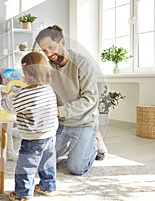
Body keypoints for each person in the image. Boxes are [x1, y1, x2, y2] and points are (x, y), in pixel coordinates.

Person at [35, 25, 107, 175]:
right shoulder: (47, 66)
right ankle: (76, 147)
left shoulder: (82, 63)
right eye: (44, 50)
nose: (48, 54)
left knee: (76, 168)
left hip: (84, 122)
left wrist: (58, 111)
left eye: (51, 47)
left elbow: (90, 100)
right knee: (41, 161)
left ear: (62, 42)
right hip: (61, 123)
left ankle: (95, 142)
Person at [1, 52, 58, 201]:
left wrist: (6, 95)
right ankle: (48, 186)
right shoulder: (48, 90)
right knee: (48, 161)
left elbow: (9, 107)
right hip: (50, 134)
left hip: (32, 138)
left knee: (26, 166)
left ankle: (23, 193)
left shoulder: (24, 94)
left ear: (27, 73)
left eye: (24, 73)